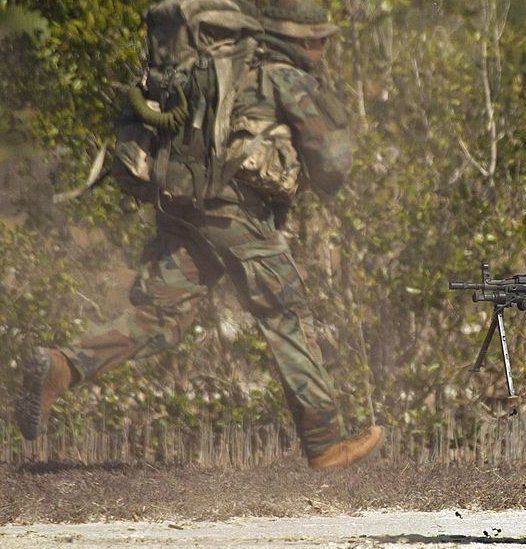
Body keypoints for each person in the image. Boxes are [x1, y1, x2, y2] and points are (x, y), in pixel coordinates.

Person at [14, 0, 382, 471]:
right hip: (238, 219)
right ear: (301, 39)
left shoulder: (204, 69)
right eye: (320, 41)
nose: (323, 50)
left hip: (183, 209)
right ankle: (326, 442)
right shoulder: (282, 77)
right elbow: (333, 163)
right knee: (286, 315)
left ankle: (63, 366)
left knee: (159, 318)